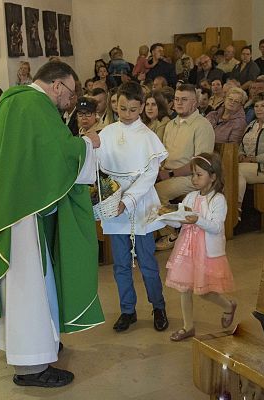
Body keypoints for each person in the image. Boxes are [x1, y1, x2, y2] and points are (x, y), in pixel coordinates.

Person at [0, 61, 105, 388]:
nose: (71, 99)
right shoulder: (33, 104)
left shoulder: (13, 101)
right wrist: (88, 143)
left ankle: (41, 344)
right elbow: (59, 155)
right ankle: (31, 367)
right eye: (70, 92)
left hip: (11, 207)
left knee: (29, 285)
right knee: (28, 288)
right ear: (56, 85)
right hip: (20, 216)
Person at [96, 81, 169, 333]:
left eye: (133, 110)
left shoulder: (149, 137)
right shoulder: (106, 134)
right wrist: (110, 198)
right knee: (121, 264)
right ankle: (128, 309)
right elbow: (100, 171)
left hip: (141, 207)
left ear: (142, 108)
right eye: (122, 108)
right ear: (116, 103)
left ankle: (158, 306)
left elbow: (149, 177)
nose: (126, 114)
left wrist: (127, 201)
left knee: (148, 262)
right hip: (114, 208)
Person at [166, 153, 236, 341]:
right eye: (193, 175)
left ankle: (228, 306)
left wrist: (197, 219)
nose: (194, 179)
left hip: (205, 251)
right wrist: (166, 217)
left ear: (213, 177)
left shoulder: (218, 200)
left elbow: (216, 227)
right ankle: (188, 326)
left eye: (199, 175)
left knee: (204, 291)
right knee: (184, 289)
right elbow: (181, 221)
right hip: (187, 249)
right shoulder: (190, 197)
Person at [155, 84, 215, 251]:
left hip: (193, 178)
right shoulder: (171, 124)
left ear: (195, 103)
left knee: (156, 193)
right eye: (176, 99)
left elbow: (201, 162)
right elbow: (163, 154)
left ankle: (171, 234)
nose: (179, 103)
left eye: (184, 100)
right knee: (142, 187)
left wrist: (171, 173)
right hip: (170, 173)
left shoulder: (202, 125)